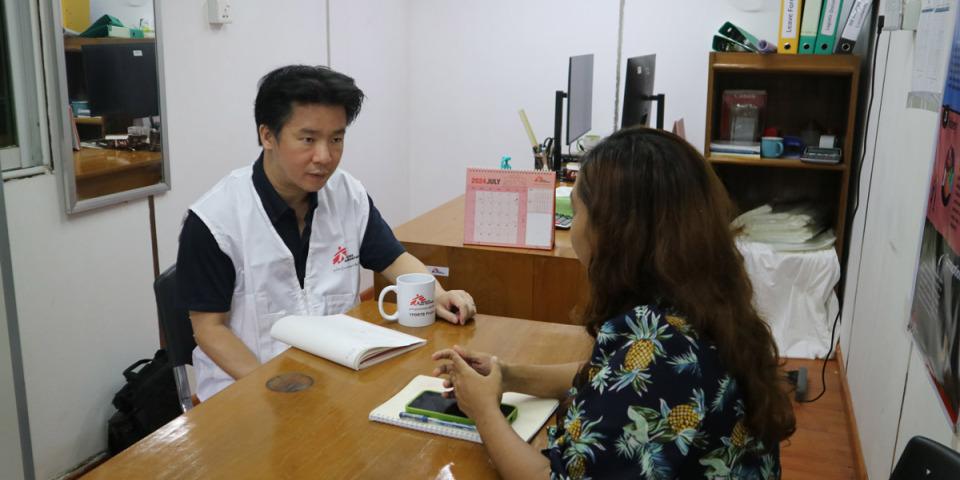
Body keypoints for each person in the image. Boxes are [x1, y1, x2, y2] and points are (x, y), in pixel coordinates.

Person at [433, 128, 796, 479]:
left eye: (576, 211)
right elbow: (604, 374)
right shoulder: (693, 304)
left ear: (614, 232)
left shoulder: (661, 356)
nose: (572, 228)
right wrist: (507, 374)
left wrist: (483, 411)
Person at [177, 65, 475, 401]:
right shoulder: (215, 221)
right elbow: (209, 329)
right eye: (308, 139)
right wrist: (271, 388)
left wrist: (437, 294)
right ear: (267, 136)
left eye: (336, 139)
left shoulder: (347, 195)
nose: (325, 157)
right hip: (246, 395)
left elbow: (395, 259)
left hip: (333, 385)